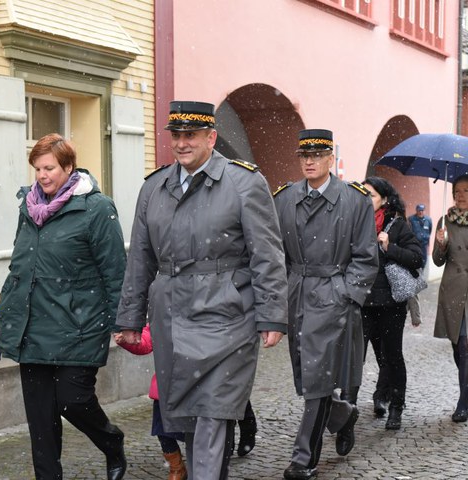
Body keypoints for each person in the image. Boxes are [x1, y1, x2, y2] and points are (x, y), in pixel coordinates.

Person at [115, 101, 288, 480]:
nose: (181, 143)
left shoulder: (244, 183)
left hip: (228, 315)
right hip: (172, 318)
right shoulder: (154, 188)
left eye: (190, 135)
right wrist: (129, 317)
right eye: (175, 135)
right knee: (190, 418)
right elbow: (140, 259)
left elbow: (267, 255)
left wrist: (272, 314)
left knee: (213, 411)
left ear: (211, 137)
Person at [0, 133, 127, 480]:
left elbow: (115, 271)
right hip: (33, 324)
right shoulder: (28, 209)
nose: (42, 175)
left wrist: (124, 321)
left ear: (68, 167)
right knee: (40, 421)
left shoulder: (97, 208)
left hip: (79, 324)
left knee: (73, 400)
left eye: (49, 167)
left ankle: (111, 441)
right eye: (37, 168)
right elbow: (20, 266)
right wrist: (5, 312)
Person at [274, 129, 379, 480]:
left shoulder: (355, 200)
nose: (309, 161)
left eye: (317, 155)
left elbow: (366, 257)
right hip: (296, 294)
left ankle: (304, 459)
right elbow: (275, 252)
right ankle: (343, 414)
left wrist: (346, 292)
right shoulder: (284, 198)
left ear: (331, 158)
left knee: (318, 379)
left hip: (332, 297)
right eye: (304, 155)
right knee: (305, 376)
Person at [353, 177, 423, 429]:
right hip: (362, 303)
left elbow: (417, 258)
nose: (364, 199)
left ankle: (395, 405)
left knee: (392, 356)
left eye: (370, 195)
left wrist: (389, 246)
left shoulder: (398, 226)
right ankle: (348, 407)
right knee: (354, 357)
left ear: (384, 199)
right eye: (361, 194)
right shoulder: (355, 224)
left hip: (391, 305)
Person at [114, 325, 187, 480]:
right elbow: (147, 339)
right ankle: (177, 468)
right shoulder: (165, 309)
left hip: (197, 383)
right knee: (163, 431)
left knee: (198, 432)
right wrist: (129, 340)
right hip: (167, 385)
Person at [433, 174, 468, 423]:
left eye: (466, 191)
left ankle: (463, 403)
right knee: (458, 349)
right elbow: (437, 260)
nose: (460, 195)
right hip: (454, 291)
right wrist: (441, 244)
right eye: (457, 191)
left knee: (466, 347)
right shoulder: (444, 221)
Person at [407, 204, 432, 326]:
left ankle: (419, 280)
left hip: (424, 246)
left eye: (422, 210)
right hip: (414, 247)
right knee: (416, 269)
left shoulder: (428, 220)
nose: (421, 212)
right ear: (416, 211)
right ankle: (418, 281)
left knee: (423, 265)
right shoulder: (411, 219)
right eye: (419, 210)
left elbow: (430, 231)